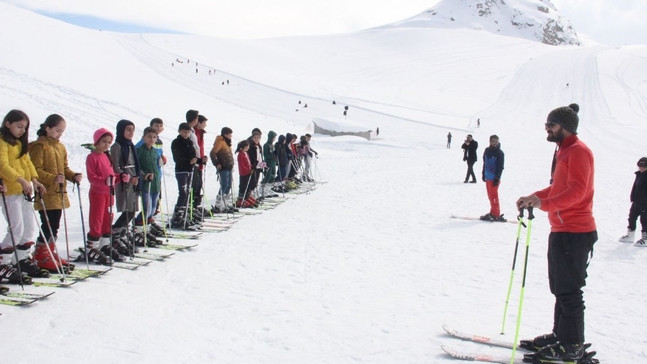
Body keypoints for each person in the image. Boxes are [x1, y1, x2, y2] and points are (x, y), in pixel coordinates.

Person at [516, 103, 597, 363]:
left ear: (565, 127)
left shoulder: (578, 152)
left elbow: (578, 192)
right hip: (562, 230)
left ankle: (572, 345)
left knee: (569, 290)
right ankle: (561, 335)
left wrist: (544, 204)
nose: (547, 129)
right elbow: (558, 189)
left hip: (576, 231)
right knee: (559, 287)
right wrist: (535, 197)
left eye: (551, 125)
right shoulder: (564, 151)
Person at [28, 114, 83, 272]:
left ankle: (48, 252)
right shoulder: (39, 146)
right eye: (58, 130)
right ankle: (40, 254)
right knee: (48, 224)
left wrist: (73, 176)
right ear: (48, 128)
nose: (60, 134)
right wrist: (53, 178)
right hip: (46, 192)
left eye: (62, 131)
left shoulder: (60, 147)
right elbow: (35, 170)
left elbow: (64, 168)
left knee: (55, 224)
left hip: (58, 192)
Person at [0, 109, 47, 282]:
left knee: (28, 229)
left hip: (24, 191)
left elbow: (27, 163)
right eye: (19, 126)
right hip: (10, 192)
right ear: (8, 124)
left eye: (24, 128)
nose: (21, 130)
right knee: (16, 229)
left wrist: (34, 180)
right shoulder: (2, 142)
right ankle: (2, 262)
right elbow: (3, 166)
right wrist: (20, 179)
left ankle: (19, 259)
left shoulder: (19, 144)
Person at [79, 128, 115, 265]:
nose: (106, 145)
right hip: (98, 193)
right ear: (97, 141)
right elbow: (92, 177)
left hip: (109, 193)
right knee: (97, 219)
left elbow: (111, 175)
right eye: (104, 141)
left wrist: (120, 178)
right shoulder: (92, 157)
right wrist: (104, 181)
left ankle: (104, 244)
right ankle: (91, 247)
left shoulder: (107, 156)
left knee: (108, 218)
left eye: (109, 142)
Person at [109, 119, 140, 260]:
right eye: (128, 130)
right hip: (124, 182)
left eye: (132, 130)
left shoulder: (130, 145)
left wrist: (141, 175)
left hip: (133, 181)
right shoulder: (117, 146)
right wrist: (125, 176)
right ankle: (115, 234)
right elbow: (115, 166)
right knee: (128, 210)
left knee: (132, 210)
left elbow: (135, 164)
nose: (131, 133)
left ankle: (119, 234)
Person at [134, 127, 163, 244]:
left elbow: (157, 165)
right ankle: (138, 229)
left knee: (153, 209)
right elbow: (136, 166)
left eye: (154, 137)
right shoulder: (140, 150)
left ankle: (146, 229)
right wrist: (143, 175)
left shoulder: (155, 151)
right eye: (149, 137)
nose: (152, 139)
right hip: (146, 183)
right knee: (147, 208)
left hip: (155, 182)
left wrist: (162, 161)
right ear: (144, 137)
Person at [170, 123, 199, 230]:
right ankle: (178, 217)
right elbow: (177, 157)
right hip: (181, 170)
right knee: (183, 192)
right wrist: (189, 161)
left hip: (189, 170)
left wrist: (200, 160)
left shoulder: (190, 142)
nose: (186, 134)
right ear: (179, 131)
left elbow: (193, 156)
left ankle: (183, 215)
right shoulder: (176, 142)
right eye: (184, 132)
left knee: (187, 193)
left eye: (188, 132)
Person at [619, 157, 647, 246]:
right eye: (639, 165)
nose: (641, 168)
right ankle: (630, 235)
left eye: (644, 166)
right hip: (636, 202)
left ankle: (645, 238)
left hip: (645, 203)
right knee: (631, 217)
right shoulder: (639, 174)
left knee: (644, 220)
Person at [210, 127, 236, 213]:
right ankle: (218, 203)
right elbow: (213, 153)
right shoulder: (220, 142)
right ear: (225, 134)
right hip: (223, 167)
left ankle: (226, 203)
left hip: (228, 166)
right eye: (229, 134)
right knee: (224, 185)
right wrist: (217, 163)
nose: (231, 136)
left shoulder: (227, 143)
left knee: (228, 185)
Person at [480, 135, 505, 222]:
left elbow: (500, 166)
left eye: (496, 142)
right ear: (490, 141)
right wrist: (483, 173)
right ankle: (492, 212)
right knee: (490, 196)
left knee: (494, 195)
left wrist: (497, 178)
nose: (495, 143)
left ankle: (496, 214)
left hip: (494, 178)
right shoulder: (487, 151)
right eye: (493, 141)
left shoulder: (500, 153)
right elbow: (485, 163)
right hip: (488, 177)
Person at [235, 140, 255, 208]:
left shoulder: (245, 153)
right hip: (243, 173)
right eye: (247, 146)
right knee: (243, 186)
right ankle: (240, 199)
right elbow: (242, 166)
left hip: (248, 173)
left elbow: (248, 163)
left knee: (248, 186)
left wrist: (252, 167)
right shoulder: (240, 155)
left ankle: (247, 197)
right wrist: (248, 170)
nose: (248, 148)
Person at [262, 131, 278, 198]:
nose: (274, 139)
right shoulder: (266, 145)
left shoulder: (272, 145)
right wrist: (272, 155)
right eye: (274, 137)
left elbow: (274, 152)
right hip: (268, 163)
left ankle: (268, 189)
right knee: (267, 176)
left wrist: (276, 154)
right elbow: (265, 155)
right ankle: (263, 189)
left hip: (273, 163)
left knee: (273, 176)